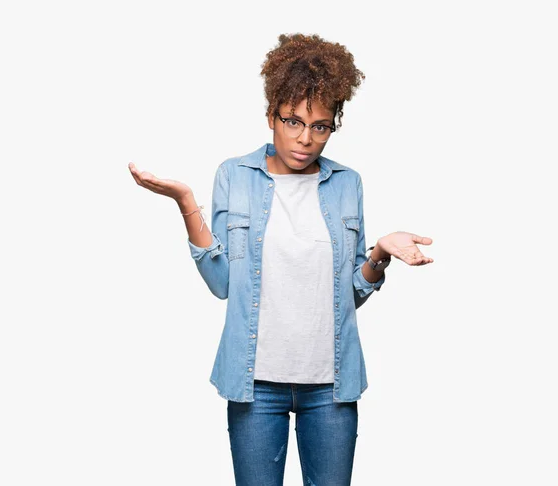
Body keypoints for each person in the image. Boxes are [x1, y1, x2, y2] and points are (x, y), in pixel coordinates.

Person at [128, 32, 433, 486]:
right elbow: (221, 283)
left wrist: (380, 254)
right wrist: (185, 201)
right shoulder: (235, 175)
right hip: (255, 384)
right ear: (271, 115)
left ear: (333, 125)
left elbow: (351, 292)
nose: (305, 139)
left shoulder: (348, 183)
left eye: (320, 126)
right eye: (292, 121)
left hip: (331, 385)